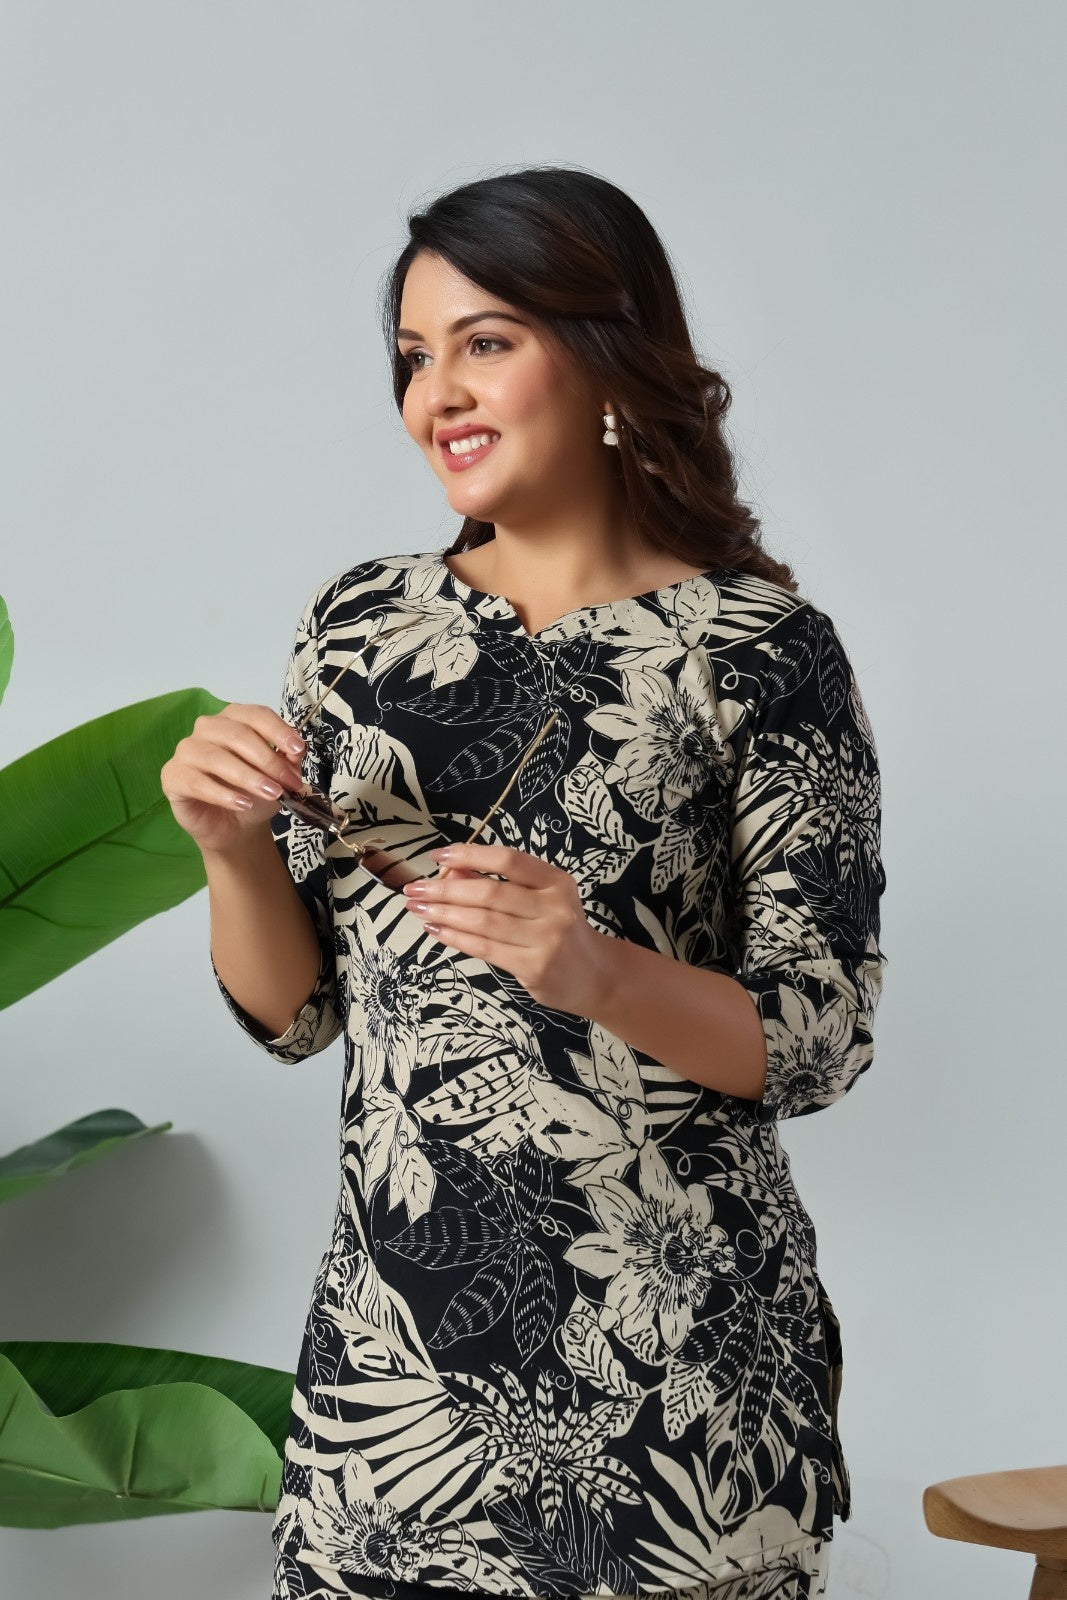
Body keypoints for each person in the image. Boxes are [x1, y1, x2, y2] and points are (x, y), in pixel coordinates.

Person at [161, 166, 886, 1600]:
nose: (435, 393)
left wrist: (592, 967)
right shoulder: (363, 629)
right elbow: (297, 1017)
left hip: (681, 1404)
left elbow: (818, 1039)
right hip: (394, 1401)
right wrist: (229, 847)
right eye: (412, 356)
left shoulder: (761, 650)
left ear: (607, 353)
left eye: (484, 342)